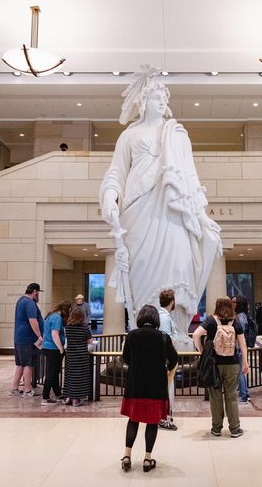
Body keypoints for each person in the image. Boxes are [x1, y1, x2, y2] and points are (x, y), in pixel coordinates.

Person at [99, 65, 222, 341]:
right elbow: (116, 172)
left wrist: (202, 216)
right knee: (141, 271)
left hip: (173, 211)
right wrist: (109, 196)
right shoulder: (129, 135)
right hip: (138, 213)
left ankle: (176, 333)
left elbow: (190, 178)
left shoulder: (177, 134)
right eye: (157, 97)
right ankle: (143, 334)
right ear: (143, 101)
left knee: (178, 266)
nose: (163, 102)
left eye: (165, 98)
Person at [120, 305, 178, 472]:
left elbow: (126, 358)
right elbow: (174, 358)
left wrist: (137, 366)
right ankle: (147, 459)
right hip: (156, 385)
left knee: (133, 419)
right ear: (155, 319)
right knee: (152, 422)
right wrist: (166, 367)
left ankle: (127, 456)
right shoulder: (162, 336)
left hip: (135, 383)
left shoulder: (132, 335)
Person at [192, 296, 249, 438]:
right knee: (232, 396)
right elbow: (242, 344)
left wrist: (202, 350)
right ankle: (235, 429)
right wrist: (245, 362)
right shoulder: (235, 322)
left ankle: (216, 428)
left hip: (214, 364)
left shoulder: (211, 320)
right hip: (232, 364)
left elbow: (196, 334)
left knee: (215, 396)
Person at [10, 283, 44, 398]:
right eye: (38, 292)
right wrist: (39, 335)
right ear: (34, 291)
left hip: (19, 338)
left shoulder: (20, 300)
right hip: (28, 338)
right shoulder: (30, 303)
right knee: (28, 364)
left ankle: (15, 388)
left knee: (20, 364)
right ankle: (27, 390)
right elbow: (33, 320)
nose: (38, 294)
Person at [63, 308, 93, 406]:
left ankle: (68, 397)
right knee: (79, 377)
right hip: (81, 356)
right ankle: (75, 399)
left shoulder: (68, 328)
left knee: (70, 376)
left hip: (70, 356)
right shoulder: (84, 328)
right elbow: (90, 341)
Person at [157, 289, 178, 430]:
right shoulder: (164, 317)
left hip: (168, 359)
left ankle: (164, 416)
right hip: (167, 361)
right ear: (172, 301)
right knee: (166, 389)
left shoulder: (164, 316)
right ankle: (164, 418)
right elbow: (166, 340)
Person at [41, 300, 70, 405]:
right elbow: (55, 335)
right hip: (53, 348)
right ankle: (45, 397)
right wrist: (61, 349)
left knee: (54, 372)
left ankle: (57, 393)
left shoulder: (51, 315)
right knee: (51, 373)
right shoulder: (57, 318)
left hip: (48, 347)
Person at [232, 295, 251, 404]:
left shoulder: (240, 317)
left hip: (239, 348)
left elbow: (240, 334)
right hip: (239, 347)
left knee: (240, 371)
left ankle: (244, 395)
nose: (232, 304)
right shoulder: (240, 316)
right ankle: (244, 393)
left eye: (234, 302)